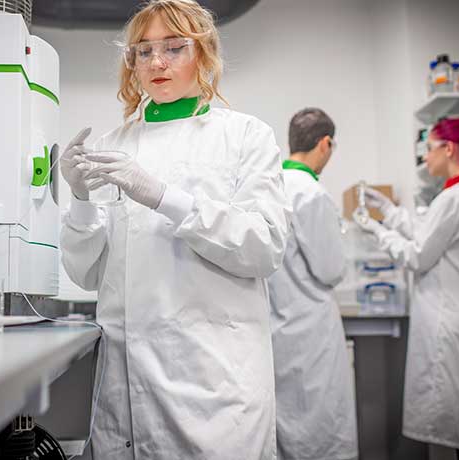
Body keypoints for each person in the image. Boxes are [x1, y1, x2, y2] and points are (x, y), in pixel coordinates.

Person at [58, 1, 291, 458]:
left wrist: (163, 196)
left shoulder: (245, 136)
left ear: (203, 54)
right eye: (143, 51)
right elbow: (85, 275)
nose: (157, 62)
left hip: (213, 385)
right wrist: (81, 200)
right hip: (125, 386)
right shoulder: (110, 147)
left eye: (174, 48)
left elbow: (263, 247)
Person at [354, 118, 459, 460]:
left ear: (449, 149)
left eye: (429, 148)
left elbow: (418, 255)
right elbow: (428, 232)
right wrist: (387, 209)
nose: (425, 158)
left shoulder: (455, 198)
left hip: (453, 326)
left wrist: (375, 229)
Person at [267, 108, 358, 460]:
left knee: (285, 427)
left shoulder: (270, 187)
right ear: (325, 143)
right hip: (312, 333)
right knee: (320, 431)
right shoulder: (311, 192)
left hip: (277, 329)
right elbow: (331, 270)